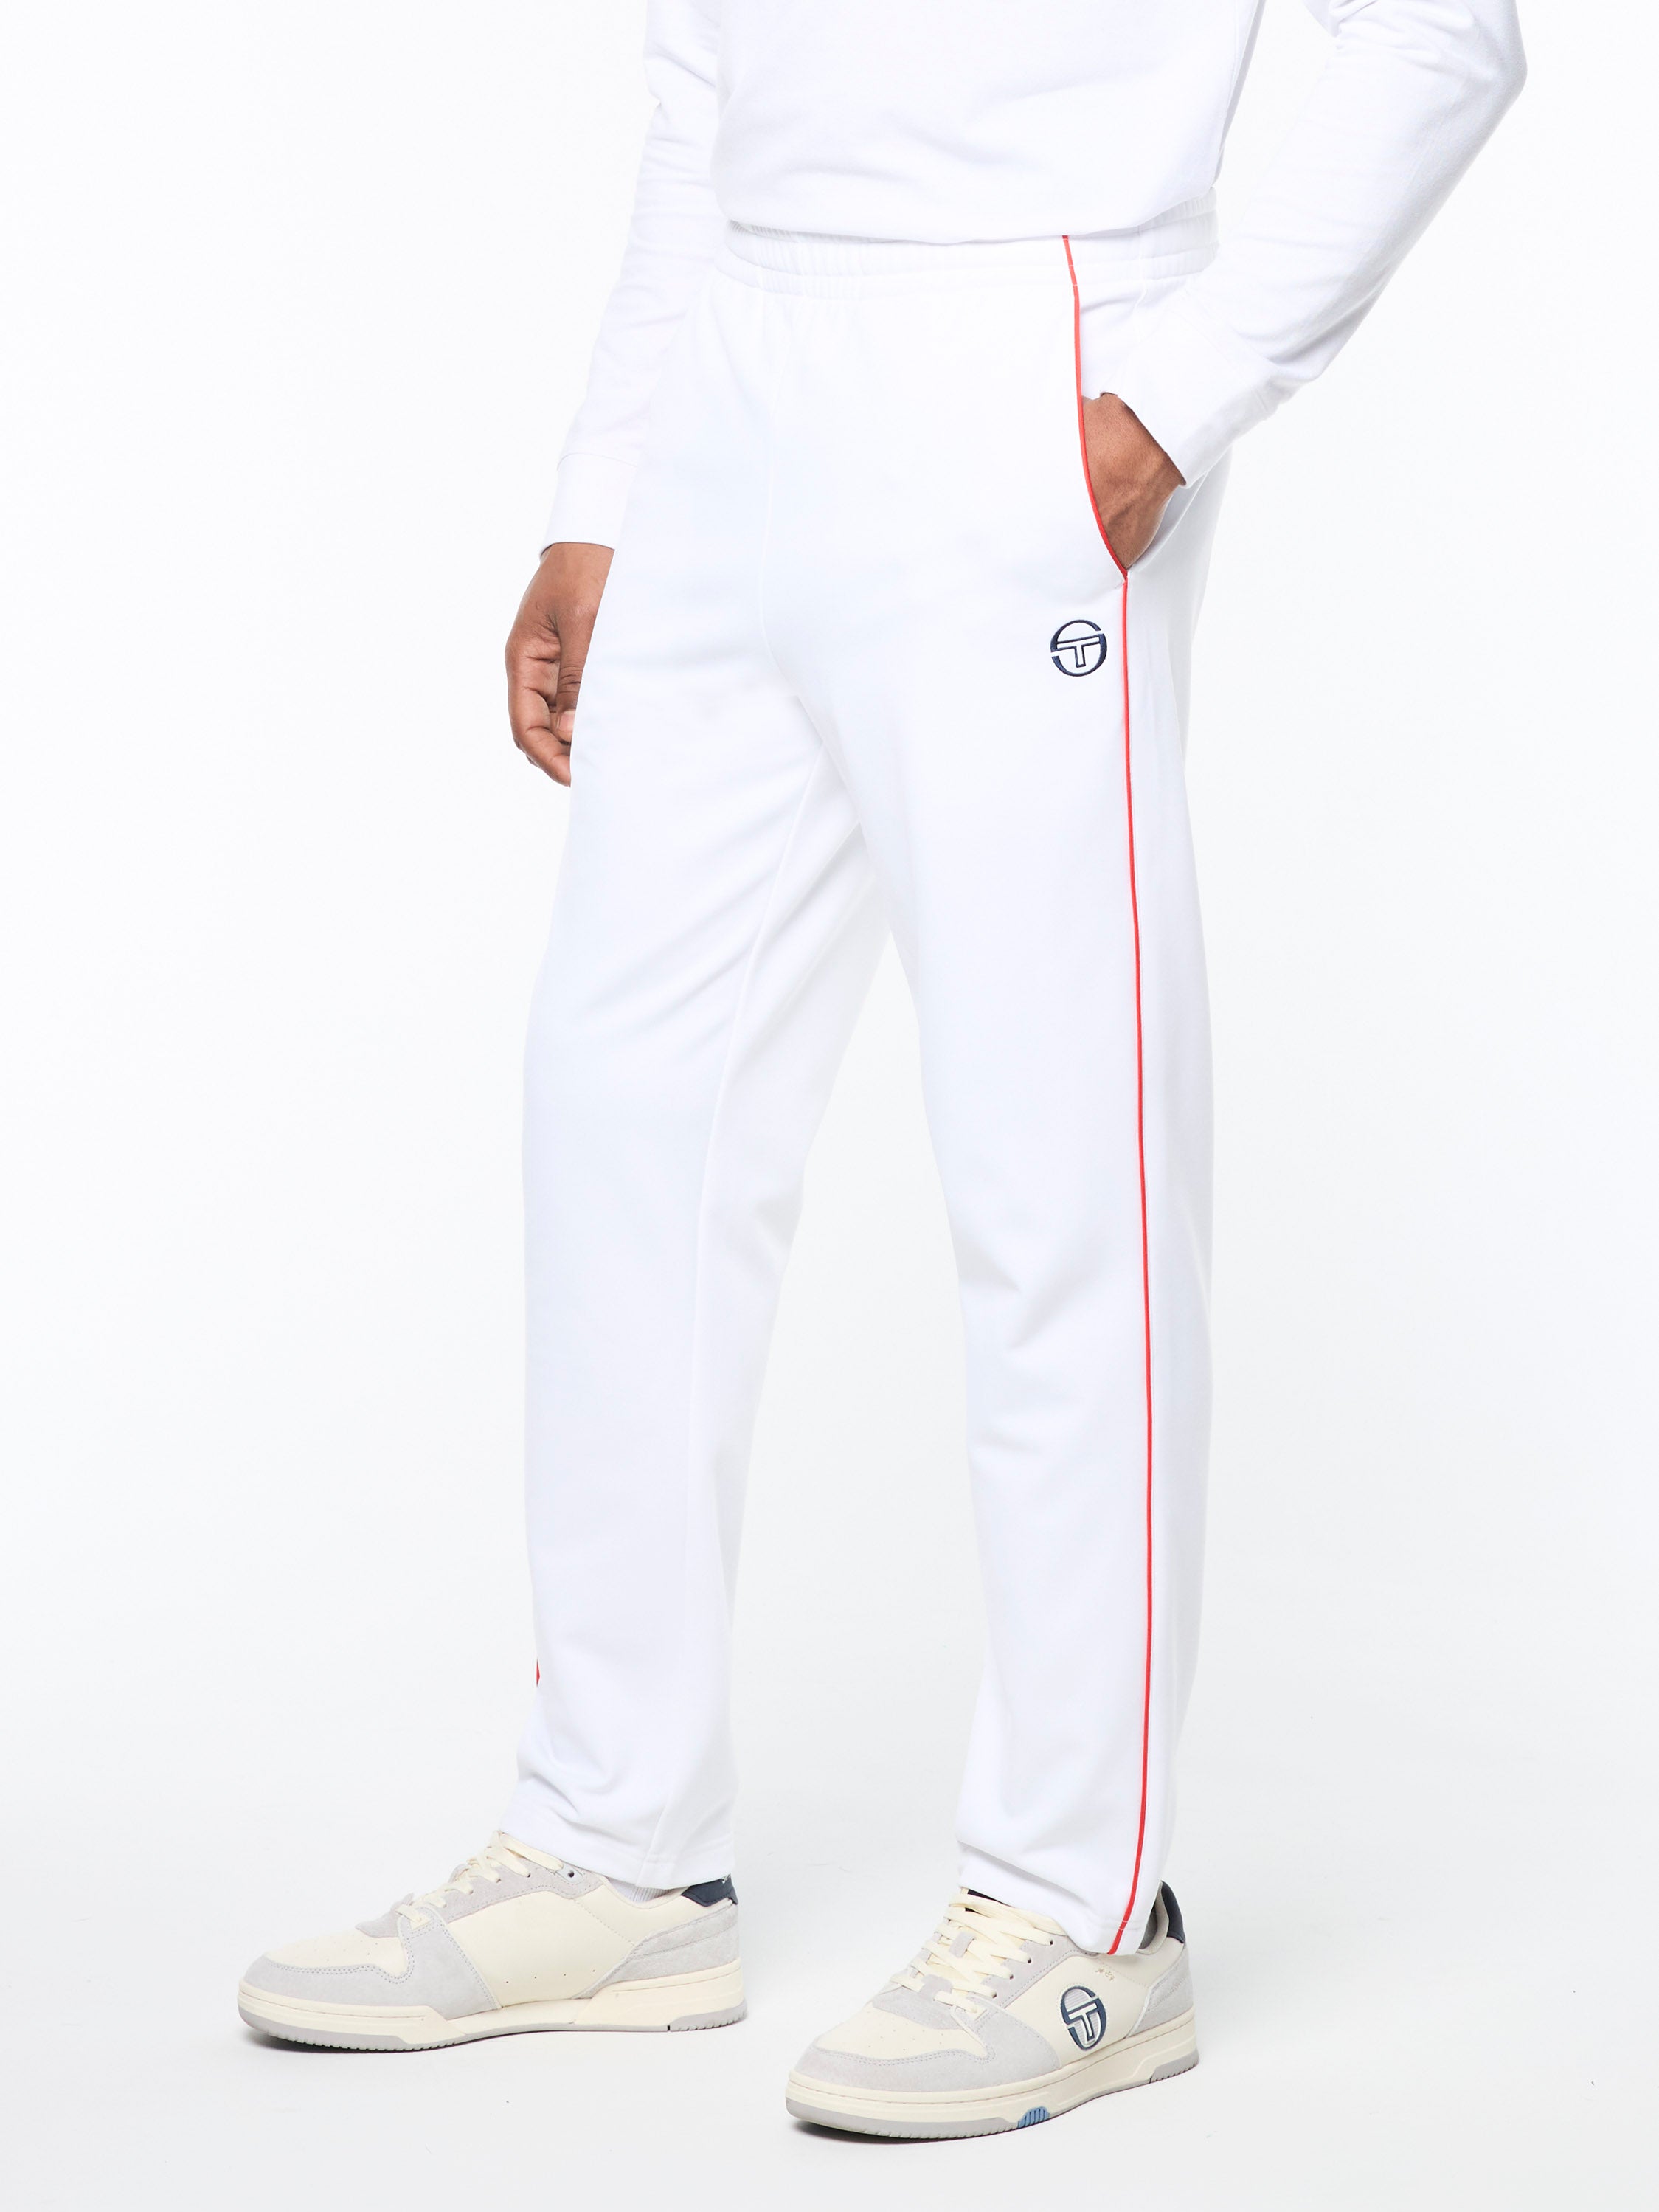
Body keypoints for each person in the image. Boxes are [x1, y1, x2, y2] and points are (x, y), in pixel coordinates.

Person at [239, 0, 1525, 2138]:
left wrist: (1177, 401)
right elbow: (702, 70)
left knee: (1058, 1158)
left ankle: (1086, 1904)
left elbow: (1440, 37)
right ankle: (617, 1845)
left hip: (1031, 357)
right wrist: (606, 485)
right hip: (739, 378)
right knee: (625, 1117)